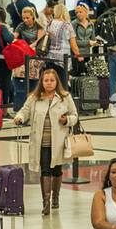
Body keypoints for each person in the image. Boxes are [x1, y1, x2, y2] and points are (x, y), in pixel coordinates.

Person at [12, 67, 77, 217]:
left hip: (59, 142)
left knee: (57, 171)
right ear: (42, 81)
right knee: (45, 170)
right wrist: (19, 117)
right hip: (41, 142)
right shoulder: (34, 97)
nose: (49, 83)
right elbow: (24, 110)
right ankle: (45, 202)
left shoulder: (65, 97)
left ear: (56, 82)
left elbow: (75, 115)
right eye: (46, 80)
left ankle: (56, 198)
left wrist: (67, 120)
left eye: (52, 80)